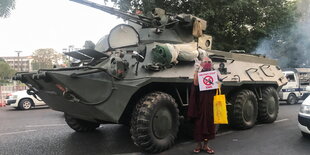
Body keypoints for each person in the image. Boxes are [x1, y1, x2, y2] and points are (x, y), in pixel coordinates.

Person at [187, 57, 216, 154]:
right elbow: (195, 84)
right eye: (205, 62)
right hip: (200, 104)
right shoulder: (199, 72)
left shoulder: (214, 73)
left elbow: (218, 85)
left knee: (209, 124)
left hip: (210, 104)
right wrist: (197, 70)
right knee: (199, 124)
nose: (207, 63)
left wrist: (216, 74)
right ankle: (198, 145)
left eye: (209, 62)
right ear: (202, 63)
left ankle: (206, 146)